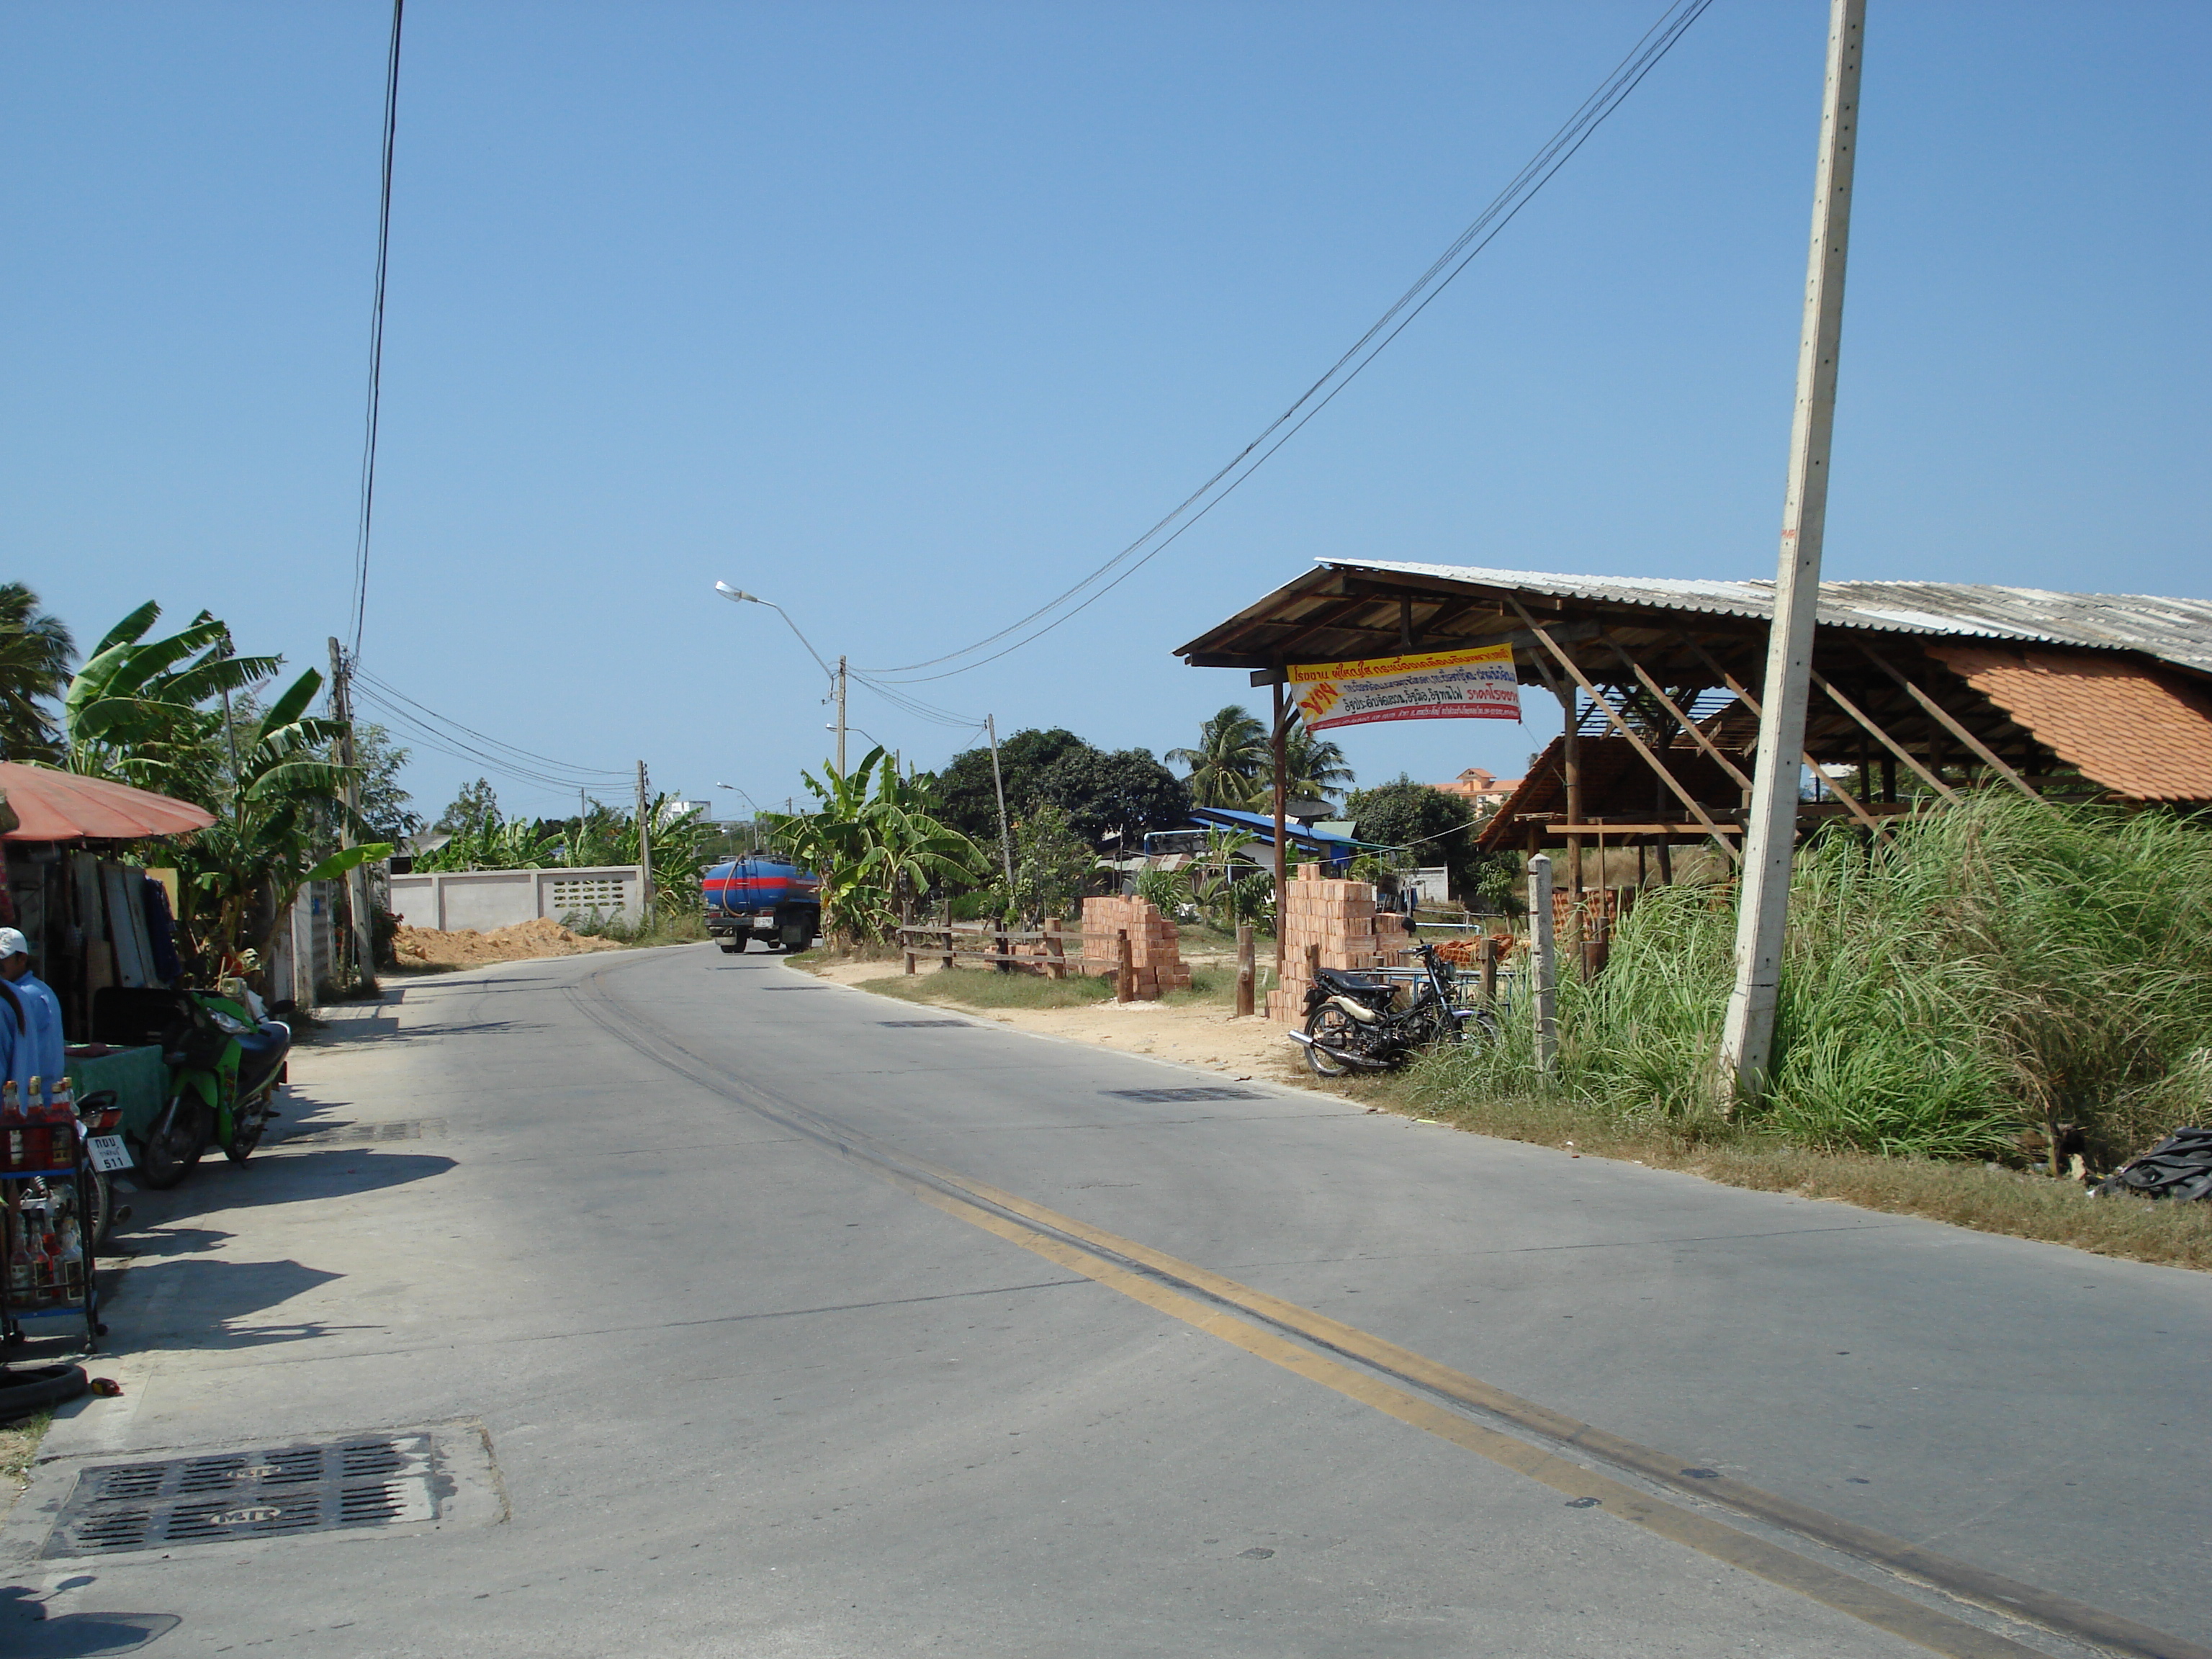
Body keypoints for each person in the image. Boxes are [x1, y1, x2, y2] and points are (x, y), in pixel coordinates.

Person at [0, 927, 65, 1101]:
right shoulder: (37, 990)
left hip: (35, 1097)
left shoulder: (24, 996)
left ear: (22, 958)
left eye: (2, 958)